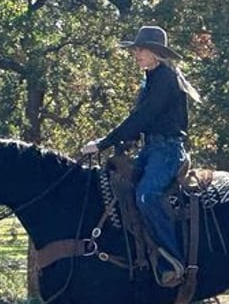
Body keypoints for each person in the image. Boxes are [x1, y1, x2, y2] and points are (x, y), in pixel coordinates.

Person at [81, 25, 201, 287]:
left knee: (147, 195)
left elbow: (142, 117)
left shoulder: (166, 79)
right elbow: (143, 121)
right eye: (135, 49)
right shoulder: (151, 78)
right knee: (118, 186)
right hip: (151, 149)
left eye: (140, 49)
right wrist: (122, 144)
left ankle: (172, 259)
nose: (136, 53)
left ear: (156, 53)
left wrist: (103, 143)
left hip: (168, 151)